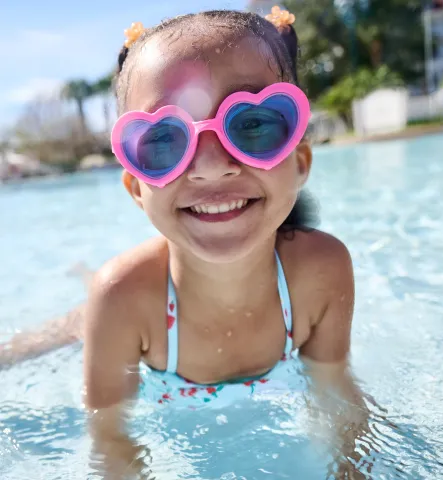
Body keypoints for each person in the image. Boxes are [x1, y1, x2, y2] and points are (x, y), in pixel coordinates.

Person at [1, 8, 365, 476]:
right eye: (164, 141)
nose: (211, 166)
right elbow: (110, 438)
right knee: (59, 331)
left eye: (252, 124)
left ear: (298, 161)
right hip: (135, 304)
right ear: (136, 188)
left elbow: (336, 393)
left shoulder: (322, 271)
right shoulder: (121, 301)